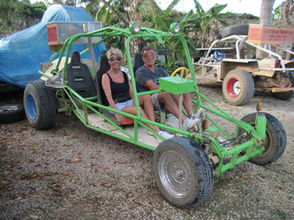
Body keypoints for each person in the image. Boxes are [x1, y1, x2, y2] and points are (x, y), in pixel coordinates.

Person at [101, 48, 173, 139]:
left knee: (146, 96)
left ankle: (152, 126)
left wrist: (135, 101)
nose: (115, 61)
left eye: (118, 59)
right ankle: (158, 132)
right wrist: (116, 113)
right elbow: (109, 97)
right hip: (117, 105)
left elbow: (132, 92)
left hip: (128, 101)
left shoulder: (124, 74)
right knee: (137, 109)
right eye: (112, 59)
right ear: (108, 61)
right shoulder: (105, 76)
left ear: (121, 60)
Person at [135, 45, 197, 130]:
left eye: (152, 55)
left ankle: (191, 116)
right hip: (150, 98)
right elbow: (153, 87)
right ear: (143, 58)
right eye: (146, 56)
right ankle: (184, 120)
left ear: (155, 56)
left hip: (164, 94)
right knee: (166, 93)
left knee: (184, 89)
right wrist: (173, 92)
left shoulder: (161, 70)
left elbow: (171, 82)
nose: (149, 58)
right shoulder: (141, 71)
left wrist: (178, 89)